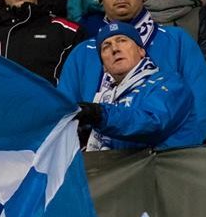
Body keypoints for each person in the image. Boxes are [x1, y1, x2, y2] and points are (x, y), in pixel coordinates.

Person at [59, 0, 206, 146]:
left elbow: (203, 100)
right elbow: (64, 113)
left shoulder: (177, 41)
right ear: (100, 0)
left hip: (167, 160)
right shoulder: (82, 53)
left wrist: (174, 154)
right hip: (96, 164)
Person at [74, 21, 195, 150]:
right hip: (121, 168)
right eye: (106, 46)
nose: (115, 49)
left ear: (141, 51)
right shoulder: (108, 99)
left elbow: (153, 123)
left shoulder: (169, 82)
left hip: (165, 167)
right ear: (104, 66)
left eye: (122, 41)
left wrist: (100, 115)